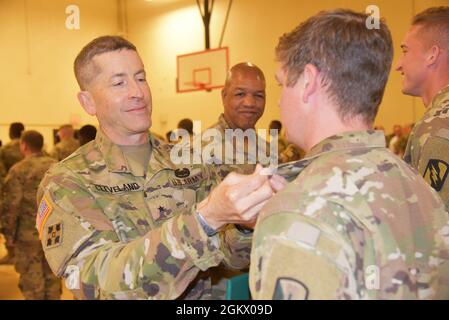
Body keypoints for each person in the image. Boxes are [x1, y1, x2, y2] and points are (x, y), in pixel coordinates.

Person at [37, 36, 285, 300]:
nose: (138, 92)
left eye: (141, 78)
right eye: (119, 82)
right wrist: (203, 220)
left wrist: (244, 224)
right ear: (88, 102)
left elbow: (228, 260)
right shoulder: (67, 183)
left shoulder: (190, 161)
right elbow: (97, 285)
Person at [250, 9, 449, 300]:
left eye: (282, 84)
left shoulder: (299, 210)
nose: (279, 101)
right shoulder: (415, 185)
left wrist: (292, 211)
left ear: (308, 81)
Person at [397, 7, 449, 210]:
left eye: (405, 51)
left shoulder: (435, 128)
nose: (398, 65)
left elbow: (435, 226)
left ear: (432, 55)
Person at [1, 131, 61, 299]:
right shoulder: (57, 166)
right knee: (52, 275)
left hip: (27, 235)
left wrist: (9, 234)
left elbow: (11, 205)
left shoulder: (18, 170)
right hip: (54, 232)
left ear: (24, 145)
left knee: (31, 277)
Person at [200, 62, 271, 178]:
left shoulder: (269, 152)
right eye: (240, 94)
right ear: (224, 96)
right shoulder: (199, 152)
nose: (250, 103)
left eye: (258, 96)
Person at [0, 122, 25, 265]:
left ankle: (11, 252)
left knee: (9, 221)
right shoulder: (29, 145)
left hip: (10, 192)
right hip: (32, 192)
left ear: (10, 132)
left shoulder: (4, 149)